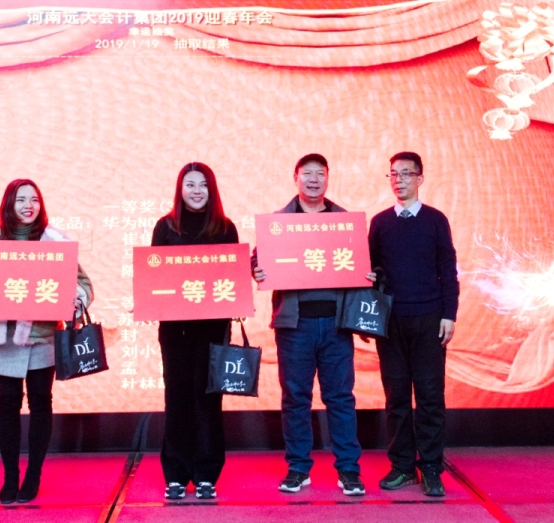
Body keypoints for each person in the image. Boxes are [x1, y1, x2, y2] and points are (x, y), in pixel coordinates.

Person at [0, 179, 93, 504]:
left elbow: (83, 283)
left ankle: (34, 475)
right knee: (8, 404)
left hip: (42, 339)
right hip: (4, 340)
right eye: (21, 200)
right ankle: (10, 476)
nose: (29, 206)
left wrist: (75, 298)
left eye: (34, 200)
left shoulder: (55, 242)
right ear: (8, 204)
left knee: (41, 404)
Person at [251, 153, 375, 496]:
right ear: (296, 178)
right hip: (295, 326)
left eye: (320, 174)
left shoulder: (344, 221)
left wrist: (368, 273)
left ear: (328, 178)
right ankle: (298, 469)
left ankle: (348, 470)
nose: (314, 179)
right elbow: (258, 259)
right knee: (295, 399)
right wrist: (256, 268)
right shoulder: (279, 222)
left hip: (336, 325)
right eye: (307, 173)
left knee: (340, 398)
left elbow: (365, 263)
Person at [368, 151, 459, 497]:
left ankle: (431, 467)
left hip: (429, 319)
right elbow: (370, 272)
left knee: (430, 396)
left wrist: (449, 314)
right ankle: (403, 466)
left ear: (420, 178)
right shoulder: (380, 223)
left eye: (406, 173)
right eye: (393, 174)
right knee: (396, 398)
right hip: (390, 322)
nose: (399, 180)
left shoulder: (435, 220)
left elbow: (448, 270)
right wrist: (366, 316)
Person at [151, 162, 239, 500]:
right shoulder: (165, 227)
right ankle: (175, 474)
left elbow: (231, 277)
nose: (196, 190)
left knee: (208, 400)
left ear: (211, 189)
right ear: (180, 189)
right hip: (175, 332)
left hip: (213, 331)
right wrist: (146, 301)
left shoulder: (225, 228)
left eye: (203, 184)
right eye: (190, 184)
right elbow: (154, 275)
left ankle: (206, 474)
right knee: (176, 399)